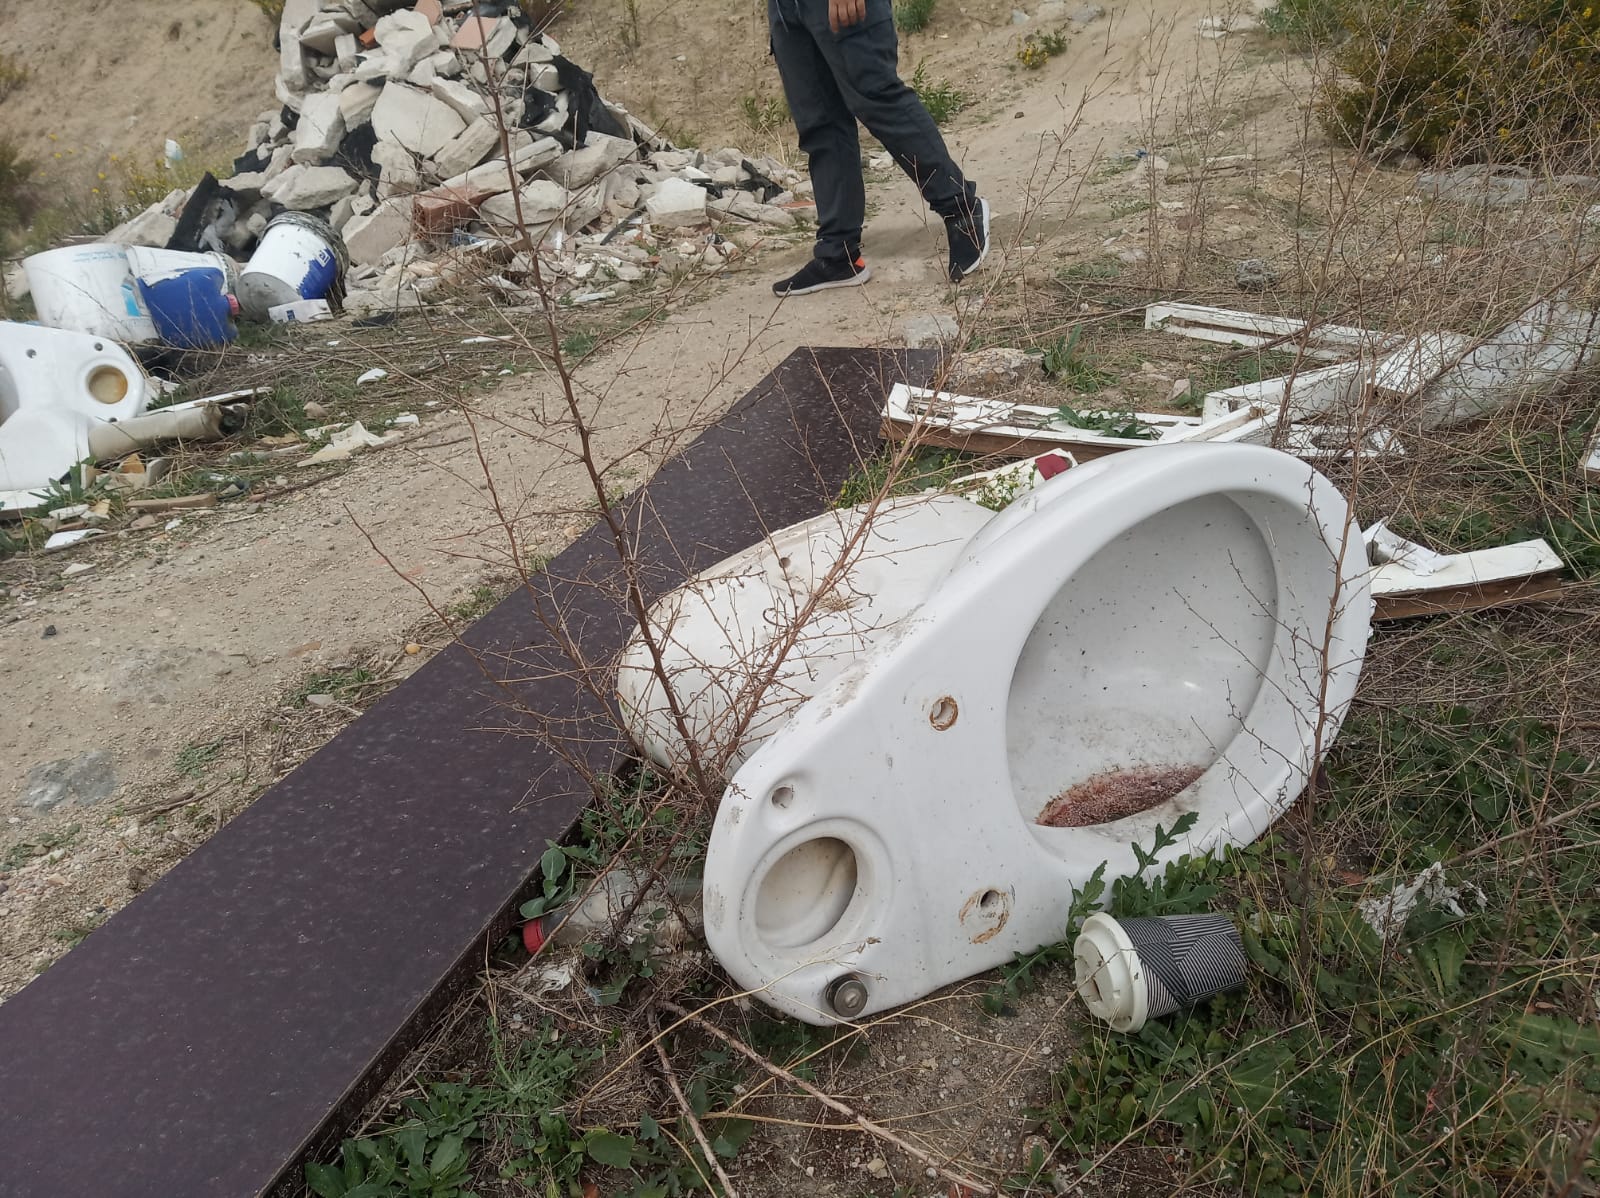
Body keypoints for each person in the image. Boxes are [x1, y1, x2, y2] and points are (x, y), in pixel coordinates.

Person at [766, 0, 991, 296]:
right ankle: (838, 254)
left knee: (878, 100)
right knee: (820, 124)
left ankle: (962, 212)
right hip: (785, 9)